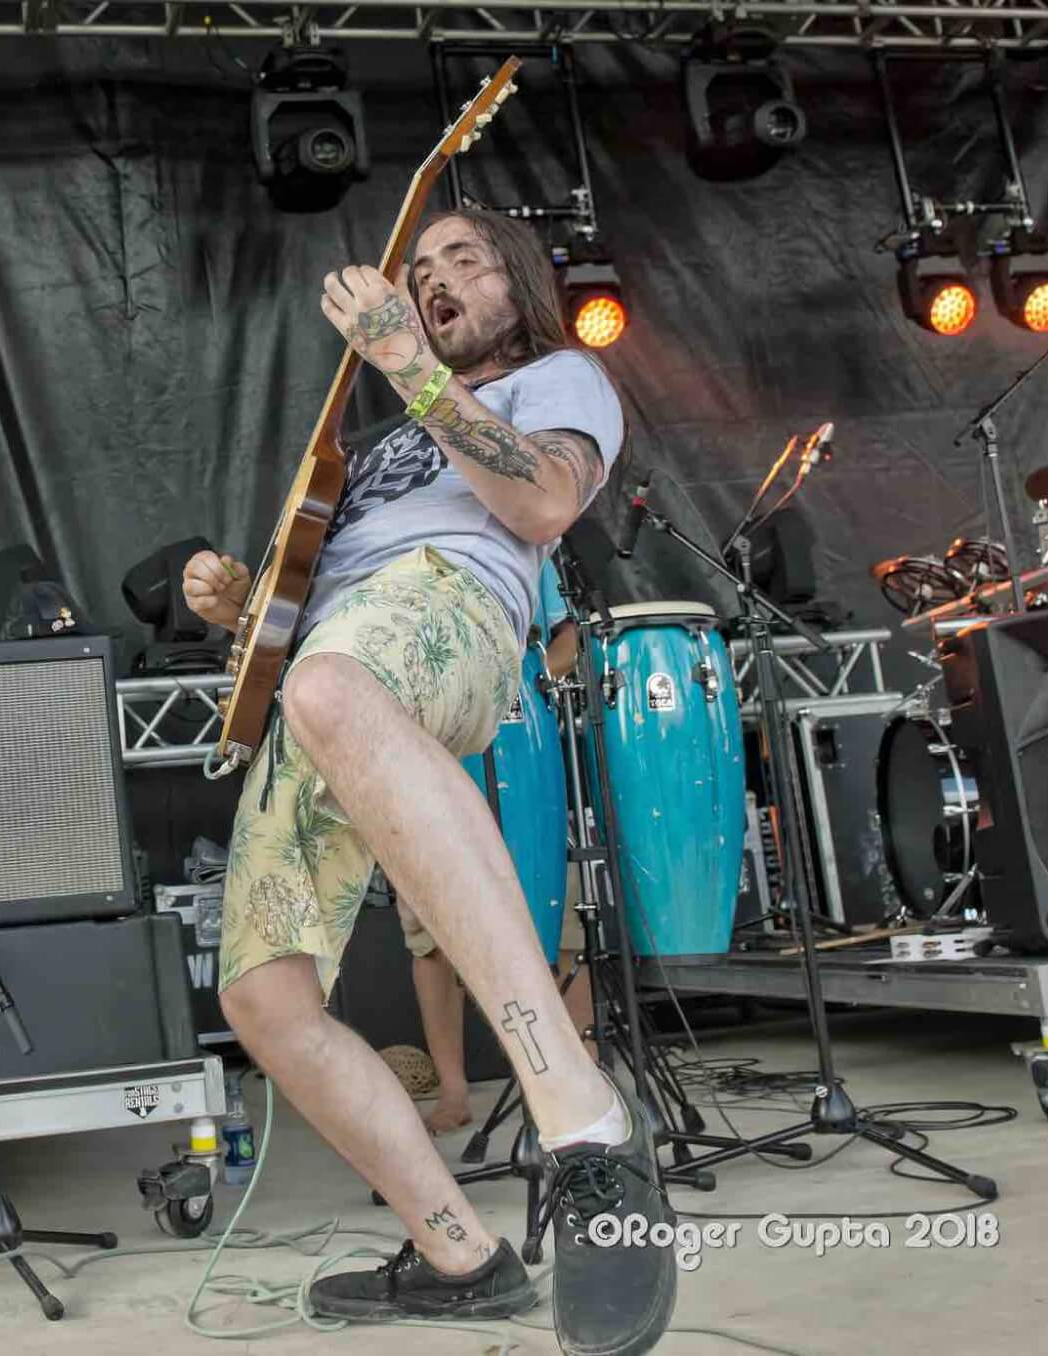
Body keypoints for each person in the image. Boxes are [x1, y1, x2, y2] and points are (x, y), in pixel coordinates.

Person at [183, 211, 675, 1356]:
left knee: (335, 689)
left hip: (446, 604)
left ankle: (580, 1112)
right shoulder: (359, 449)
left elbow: (543, 502)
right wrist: (239, 606)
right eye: (420, 270)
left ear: (520, 285)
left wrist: (405, 360)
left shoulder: (560, 376)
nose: (436, 280)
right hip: (328, 658)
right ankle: (459, 1255)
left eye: (465, 261)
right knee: (264, 999)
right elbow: (309, 599)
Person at [408, 557, 594, 1135]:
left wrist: (530, 677)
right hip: (428, 731)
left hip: (523, 733)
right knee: (429, 934)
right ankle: (455, 1088)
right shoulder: (395, 534)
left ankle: (582, 1071)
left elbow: (570, 641)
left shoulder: (526, 539)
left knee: (563, 921)